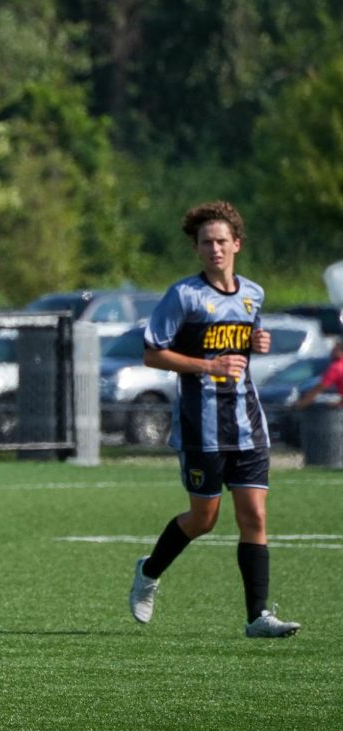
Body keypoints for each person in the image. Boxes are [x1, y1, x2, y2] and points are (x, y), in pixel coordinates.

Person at [128, 201, 300, 638]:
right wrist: (206, 367)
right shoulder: (184, 296)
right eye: (206, 242)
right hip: (200, 425)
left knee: (254, 516)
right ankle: (149, 571)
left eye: (222, 241)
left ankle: (257, 617)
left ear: (237, 244)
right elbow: (152, 354)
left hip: (246, 422)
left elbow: (241, 347)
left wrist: (255, 343)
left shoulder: (253, 294)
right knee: (204, 519)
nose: (215, 249)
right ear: (197, 249)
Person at [294, 337, 343, 410]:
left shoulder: (336, 367)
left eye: (334, 350)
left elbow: (320, 387)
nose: (331, 352)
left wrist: (301, 404)